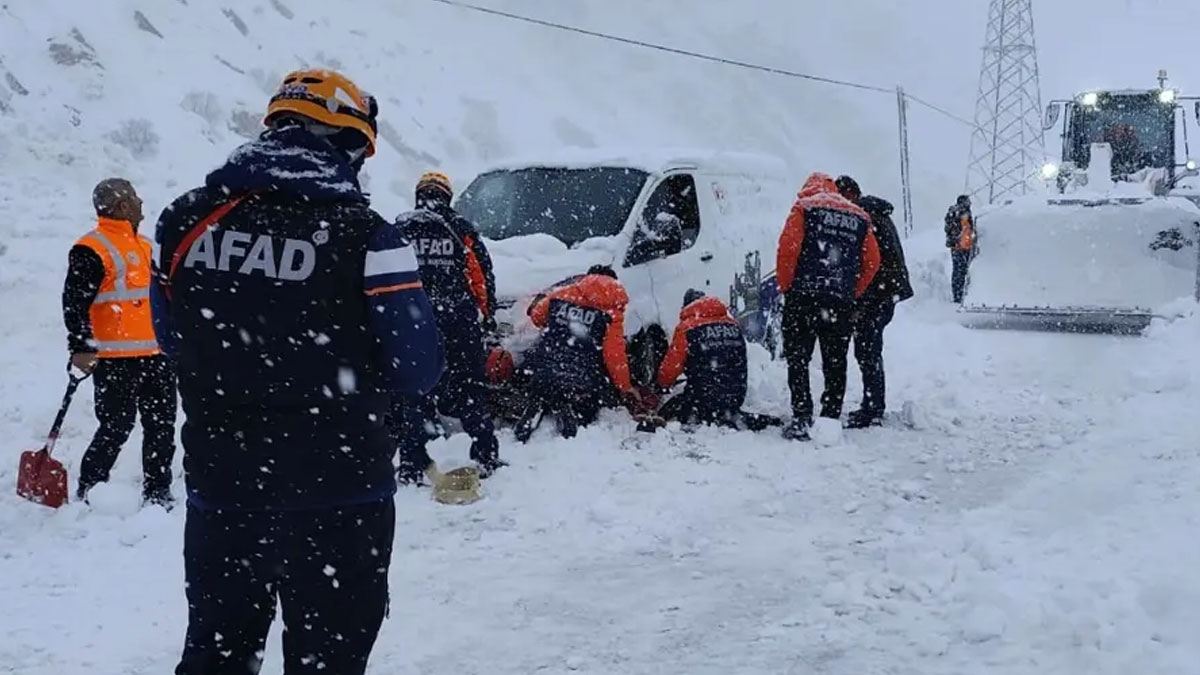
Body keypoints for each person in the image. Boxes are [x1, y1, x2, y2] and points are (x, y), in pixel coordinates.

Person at [151, 69, 443, 675]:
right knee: (330, 660)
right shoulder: (369, 236)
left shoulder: (183, 221)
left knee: (216, 655)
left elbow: (172, 338)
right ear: (344, 141)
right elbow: (417, 368)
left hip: (224, 489)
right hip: (342, 493)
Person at [63, 178, 176, 507]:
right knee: (116, 426)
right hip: (116, 358)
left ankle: (158, 491)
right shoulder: (92, 248)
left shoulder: (146, 246)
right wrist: (81, 346)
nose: (141, 202)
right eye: (134, 197)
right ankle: (90, 486)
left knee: (161, 426)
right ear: (123, 206)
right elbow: (74, 302)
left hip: (157, 354)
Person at [393, 171, 502, 484]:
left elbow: (385, 276)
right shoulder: (460, 228)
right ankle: (484, 455)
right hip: (457, 320)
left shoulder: (399, 228)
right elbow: (480, 277)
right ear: (447, 197)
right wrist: (487, 315)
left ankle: (412, 463)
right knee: (470, 388)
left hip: (414, 320)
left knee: (416, 392)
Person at [775, 172, 880, 441]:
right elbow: (873, 262)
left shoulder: (803, 208)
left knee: (798, 359)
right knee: (835, 360)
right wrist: (851, 291)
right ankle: (830, 416)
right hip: (839, 302)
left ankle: (802, 416)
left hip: (803, 298)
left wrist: (787, 287)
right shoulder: (859, 216)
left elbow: (788, 250)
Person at [514, 264, 638, 441]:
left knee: (541, 381)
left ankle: (539, 402)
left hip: (545, 366)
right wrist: (625, 387)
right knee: (590, 403)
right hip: (583, 376)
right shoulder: (611, 311)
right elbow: (614, 356)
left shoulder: (560, 294)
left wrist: (561, 325)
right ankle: (569, 410)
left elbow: (536, 317)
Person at [835, 176, 913, 429]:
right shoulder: (875, 213)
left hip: (878, 294)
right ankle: (873, 404)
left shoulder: (866, 217)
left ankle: (873, 408)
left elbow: (871, 264)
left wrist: (860, 302)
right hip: (885, 292)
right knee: (869, 349)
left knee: (867, 350)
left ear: (850, 194)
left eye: (840, 197)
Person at [655, 289, 747, 426]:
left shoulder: (687, 328)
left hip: (703, 399)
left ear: (687, 306)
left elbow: (670, 369)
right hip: (735, 397)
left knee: (667, 411)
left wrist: (662, 385)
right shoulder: (733, 325)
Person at [944, 195, 976, 303]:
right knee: (963, 271)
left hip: (955, 246)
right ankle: (961, 295)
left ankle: (957, 295)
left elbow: (948, 229)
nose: (970, 203)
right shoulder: (964, 212)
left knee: (957, 271)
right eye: (968, 201)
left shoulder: (952, 212)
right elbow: (967, 228)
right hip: (964, 246)